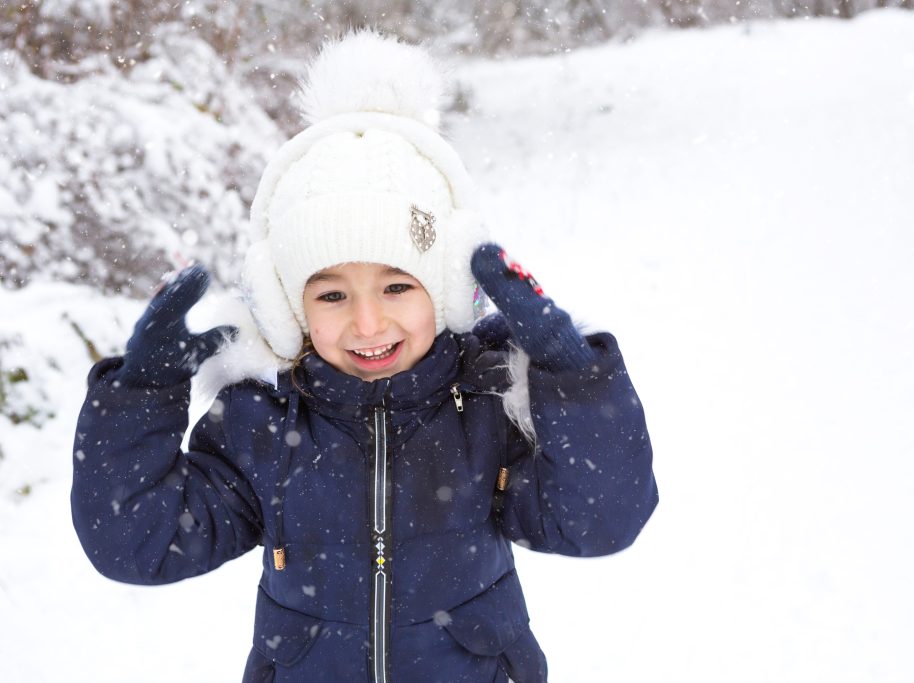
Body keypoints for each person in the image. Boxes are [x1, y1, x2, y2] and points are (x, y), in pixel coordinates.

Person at [71, 31, 657, 683]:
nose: (367, 320)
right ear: (290, 304)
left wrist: (571, 378)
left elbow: (603, 517)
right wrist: (141, 394)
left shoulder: (486, 404)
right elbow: (136, 543)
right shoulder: (262, 422)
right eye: (331, 293)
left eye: (398, 285)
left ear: (444, 291)